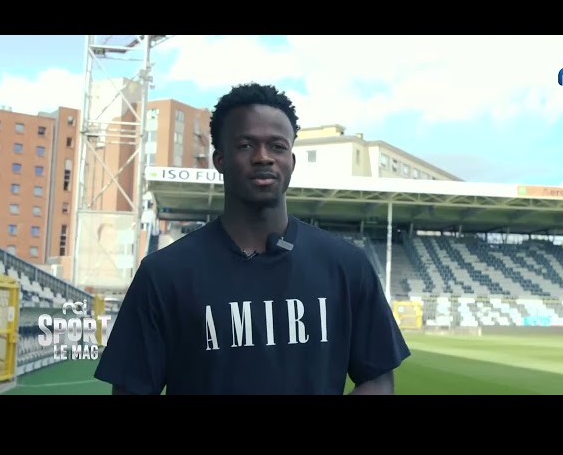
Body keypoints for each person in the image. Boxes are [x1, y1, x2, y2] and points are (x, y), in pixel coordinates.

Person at [94, 82, 411, 395]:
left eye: (277, 146)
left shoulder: (347, 266)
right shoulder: (163, 274)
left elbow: (378, 379)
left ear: (291, 161)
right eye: (246, 145)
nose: (263, 157)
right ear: (220, 160)